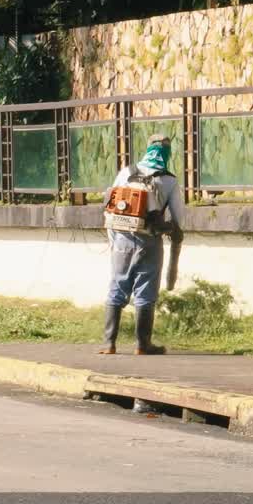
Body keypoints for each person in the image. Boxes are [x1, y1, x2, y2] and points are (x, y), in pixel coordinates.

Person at [100, 133, 184, 355]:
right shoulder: (169, 180)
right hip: (149, 240)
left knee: (117, 286)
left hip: (121, 238)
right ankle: (142, 344)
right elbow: (179, 217)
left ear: (147, 150)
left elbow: (110, 204)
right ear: (167, 154)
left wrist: (114, 240)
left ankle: (109, 343)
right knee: (145, 289)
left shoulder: (126, 172)